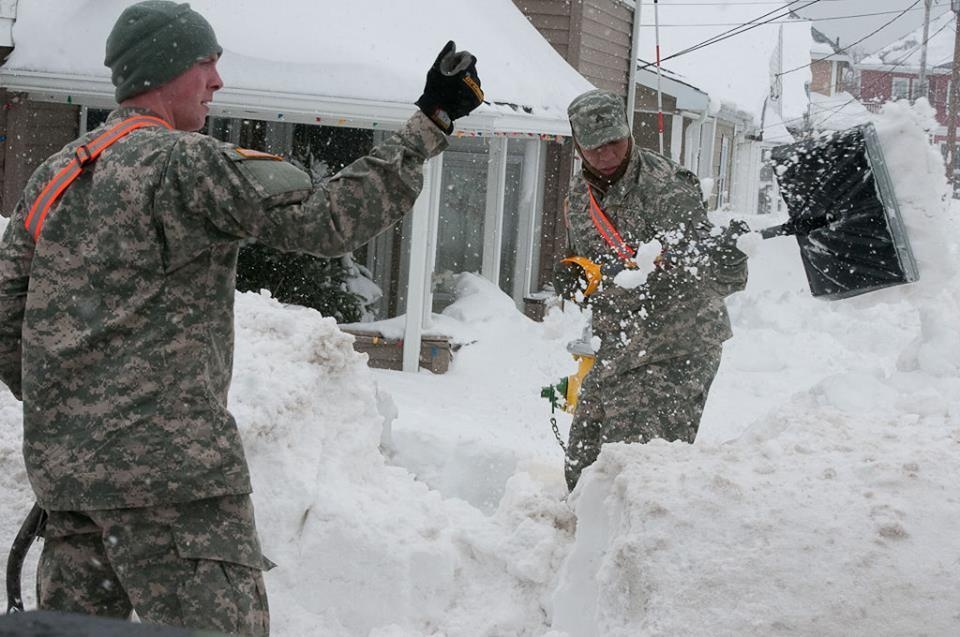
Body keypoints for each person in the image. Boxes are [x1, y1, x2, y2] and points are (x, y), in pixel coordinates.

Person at [0, 1, 483, 634]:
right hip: (178, 497)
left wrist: (77, 422)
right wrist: (431, 121)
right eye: (208, 64)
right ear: (167, 69)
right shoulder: (186, 164)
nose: (219, 82)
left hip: (71, 495)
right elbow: (330, 219)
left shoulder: (54, 177)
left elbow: (8, 322)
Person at [556, 89, 748, 491]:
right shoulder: (579, 195)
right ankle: (578, 548)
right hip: (620, 348)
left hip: (678, 347)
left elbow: (714, 273)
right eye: (595, 147)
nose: (607, 155)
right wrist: (577, 274)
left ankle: (636, 548)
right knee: (583, 464)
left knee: (637, 472)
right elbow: (589, 260)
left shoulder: (668, 189)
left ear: (627, 132)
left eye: (615, 142)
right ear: (578, 146)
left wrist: (728, 261)